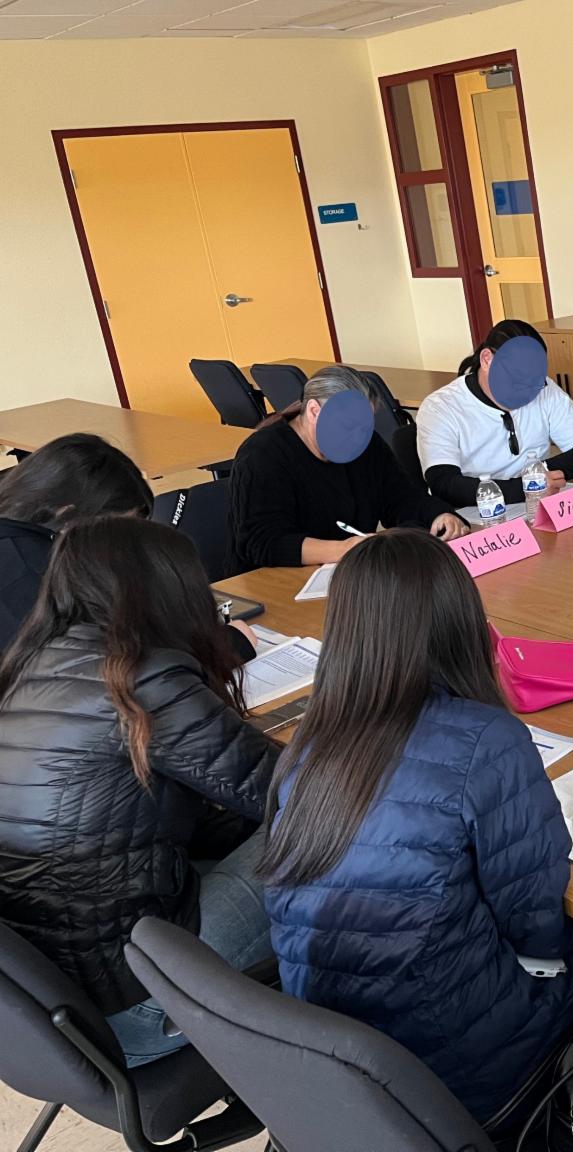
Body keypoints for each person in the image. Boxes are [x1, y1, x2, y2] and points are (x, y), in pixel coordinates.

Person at [261, 529, 573, 1122]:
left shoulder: (308, 743)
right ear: (460, 620)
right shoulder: (486, 739)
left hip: (338, 1068)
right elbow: (534, 918)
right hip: (453, 1071)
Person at [0, 516, 279, 1065]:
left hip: (55, 1014)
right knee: (346, 826)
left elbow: (148, 815)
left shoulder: (26, 668)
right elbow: (301, 792)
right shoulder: (139, 677)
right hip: (143, 1004)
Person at [0, 433, 256, 661]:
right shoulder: (30, 575)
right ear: (67, 515)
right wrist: (225, 648)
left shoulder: (23, 540)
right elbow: (97, 672)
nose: (121, 546)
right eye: (118, 531)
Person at [227, 364, 466, 574]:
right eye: (348, 425)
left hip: (354, 573)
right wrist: (342, 549)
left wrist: (438, 514)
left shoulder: (364, 443)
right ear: (314, 411)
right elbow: (262, 543)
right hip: (277, 581)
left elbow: (400, 496)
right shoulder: (263, 454)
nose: (359, 435)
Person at [417, 319, 573, 508]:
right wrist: (525, 487)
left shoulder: (543, 389)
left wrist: (539, 474)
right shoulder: (441, 407)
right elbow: (444, 484)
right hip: (478, 513)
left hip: (535, 506)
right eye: (517, 380)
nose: (527, 392)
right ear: (487, 359)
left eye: (535, 382)